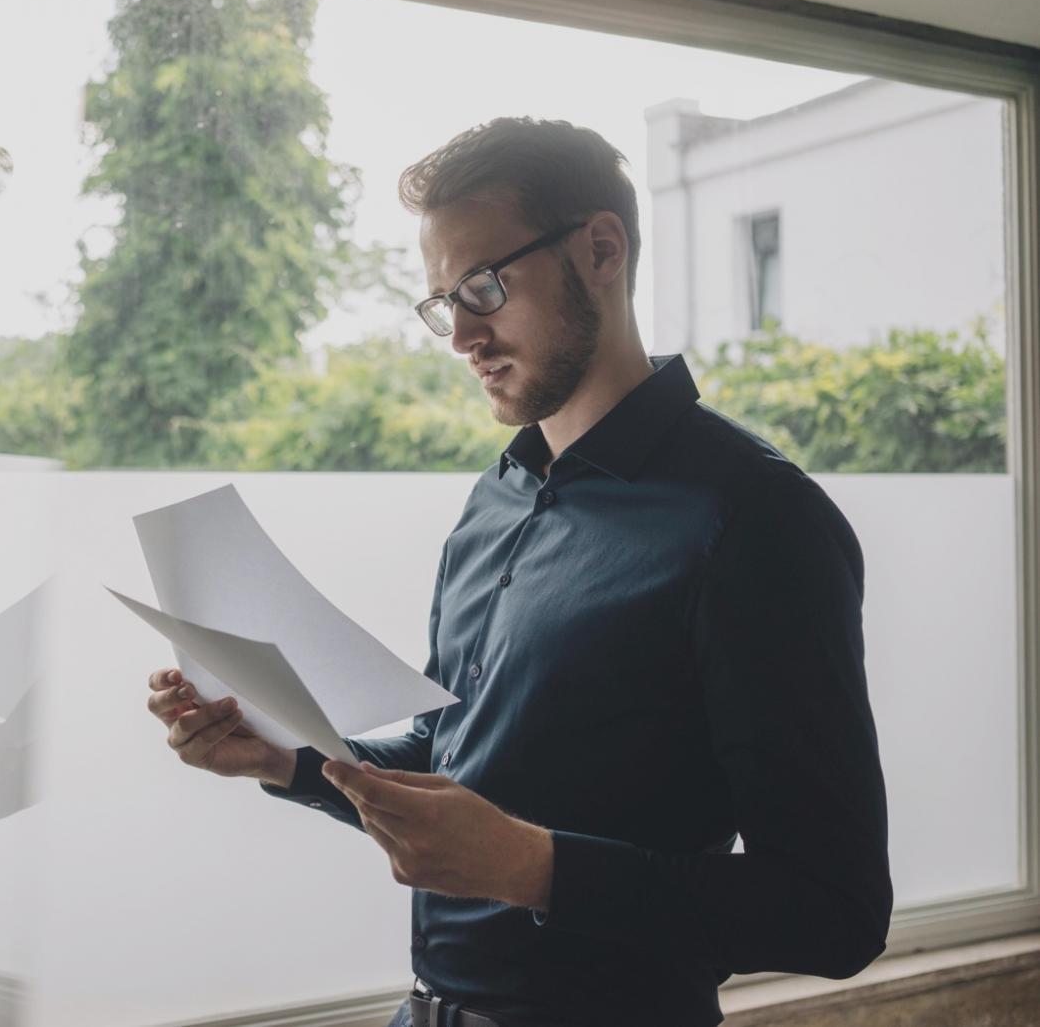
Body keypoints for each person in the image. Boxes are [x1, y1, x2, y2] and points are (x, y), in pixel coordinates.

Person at [142, 117, 892, 1027]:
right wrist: (290, 762)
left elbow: (836, 913)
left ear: (602, 250)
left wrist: (528, 866)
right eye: (440, 302)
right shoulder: (493, 499)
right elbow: (458, 759)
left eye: (483, 287)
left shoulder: (755, 520)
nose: (459, 335)